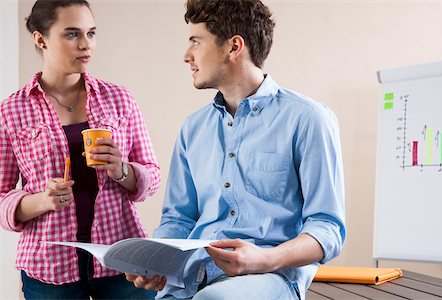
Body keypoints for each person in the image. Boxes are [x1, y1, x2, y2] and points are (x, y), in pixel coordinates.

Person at [126, 0, 346, 299]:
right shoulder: (193, 128)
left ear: (234, 46)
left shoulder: (308, 119)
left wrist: (265, 258)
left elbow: (328, 227)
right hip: (192, 277)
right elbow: (179, 218)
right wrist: (155, 261)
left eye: (196, 42)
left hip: (270, 276)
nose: (186, 56)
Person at [0, 0, 160, 299]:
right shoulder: (11, 111)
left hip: (121, 258)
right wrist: (42, 201)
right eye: (72, 34)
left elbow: (151, 173)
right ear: (40, 39)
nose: (86, 44)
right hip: (49, 265)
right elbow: (1, 197)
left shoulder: (119, 99)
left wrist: (121, 170)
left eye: (91, 33)